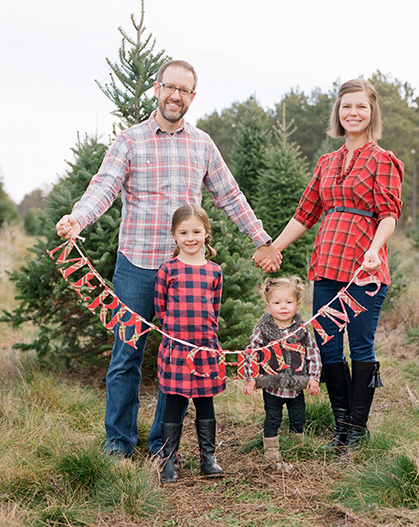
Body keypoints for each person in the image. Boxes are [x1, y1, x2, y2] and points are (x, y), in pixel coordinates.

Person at [55, 59, 281, 459]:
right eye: (169, 87)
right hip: (137, 266)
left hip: (185, 272)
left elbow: (230, 195)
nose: (176, 95)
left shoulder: (203, 144)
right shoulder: (130, 141)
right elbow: (104, 187)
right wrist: (77, 217)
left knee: (177, 356)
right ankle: (119, 442)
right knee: (127, 355)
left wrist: (264, 240)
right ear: (157, 89)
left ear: (192, 97)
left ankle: (163, 444)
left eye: (184, 90)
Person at [262, 79, 403, 449]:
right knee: (326, 348)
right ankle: (340, 424)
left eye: (360, 107)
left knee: (359, 346)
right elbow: (305, 213)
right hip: (326, 266)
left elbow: (389, 214)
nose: (353, 113)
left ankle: (357, 429)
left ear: (372, 113)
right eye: (346, 107)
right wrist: (272, 248)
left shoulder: (382, 160)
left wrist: (375, 249)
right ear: (337, 114)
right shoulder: (327, 162)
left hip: (363, 270)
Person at [154, 204, 224, 483]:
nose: (190, 238)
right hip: (177, 348)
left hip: (205, 347)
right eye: (184, 232)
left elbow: (215, 309)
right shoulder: (168, 269)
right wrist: (175, 333)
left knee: (205, 401)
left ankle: (208, 459)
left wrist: (205, 337)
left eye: (196, 231)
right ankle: (169, 459)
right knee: (174, 400)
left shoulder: (214, 271)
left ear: (206, 234)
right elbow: (160, 308)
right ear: (174, 235)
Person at [243, 277, 321, 462]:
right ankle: (271, 451)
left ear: (298, 304)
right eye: (277, 303)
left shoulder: (301, 329)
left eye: (289, 302)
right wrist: (251, 378)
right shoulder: (262, 330)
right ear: (268, 306)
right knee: (272, 418)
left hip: (296, 384)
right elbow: (252, 353)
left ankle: (297, 446)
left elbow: (313, 353)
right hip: (272, 385)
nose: (283, 307)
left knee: (298, 416)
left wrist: (313, 377)